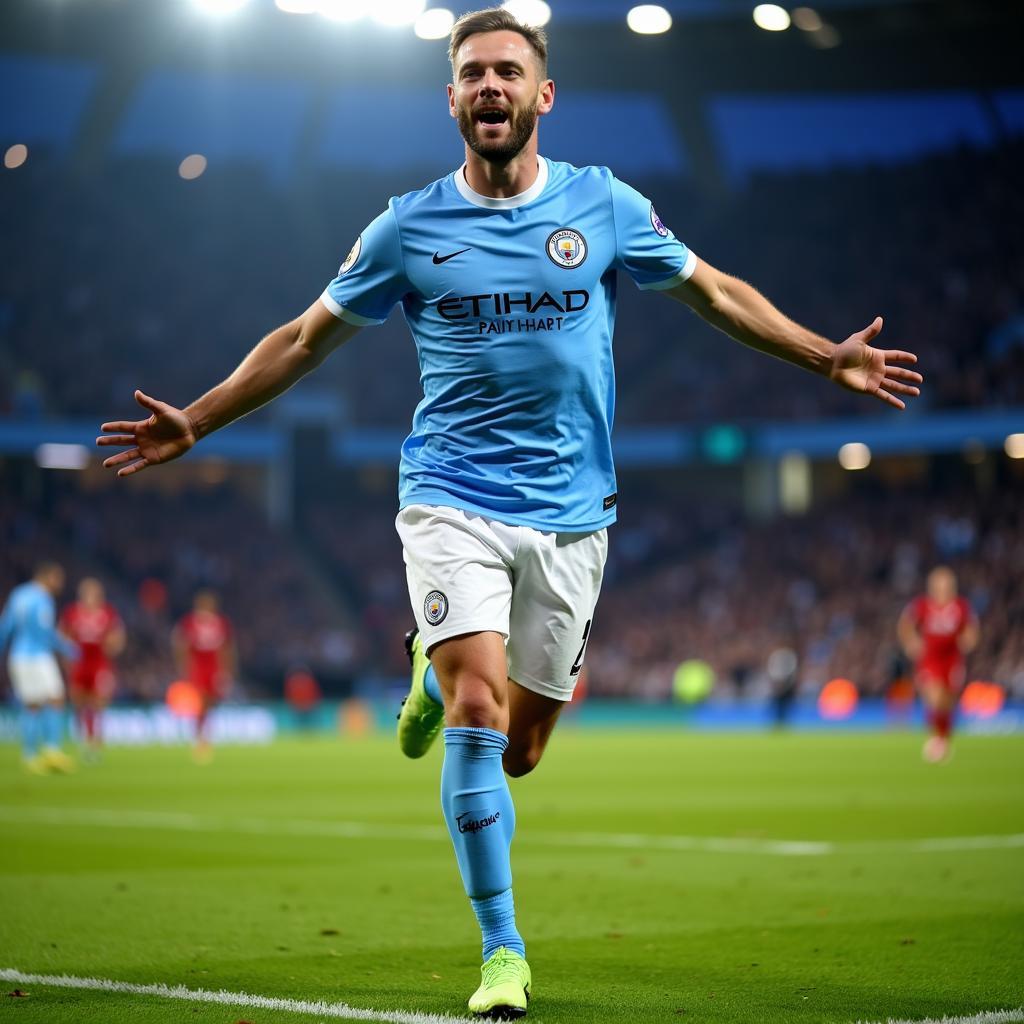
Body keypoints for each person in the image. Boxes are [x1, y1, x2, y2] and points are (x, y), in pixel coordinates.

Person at [97, 8, 923, 1017]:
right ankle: (502, 951)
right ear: (450, 98)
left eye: (507, 72)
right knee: (482, 715)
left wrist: (821, 352)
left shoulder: (603, 205)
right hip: (450, 499)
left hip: (575, 517)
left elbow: (713, 292)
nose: (490, 86)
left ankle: (429, 673)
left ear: (542, 96)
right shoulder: (406, 225)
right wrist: (202, 418)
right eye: (472, 73)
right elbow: (305, 337)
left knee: (522, 750)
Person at [0, 563, 78, 774]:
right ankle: (52, 750)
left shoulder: (18, 594)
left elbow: (5, 626)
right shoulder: (43, 599)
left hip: (17, 656)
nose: (60, 584)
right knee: (56, 699)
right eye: (58, 579)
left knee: (31, 705)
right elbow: (44, 632)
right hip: (38, 657)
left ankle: (30, 756)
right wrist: (67, 648)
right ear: (47, 576)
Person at [898, 566, 978, 763]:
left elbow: (971, 628)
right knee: (934, 696)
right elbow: (905, 624)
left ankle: (943, 738)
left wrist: (968, 639)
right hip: (930, 658)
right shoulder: (922, 605)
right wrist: (911, 643)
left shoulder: (960, 606)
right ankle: (936, 739)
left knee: (947, 701)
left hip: (952, 658)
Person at [60, 577, 125, 756]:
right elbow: (62, 633)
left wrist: (114, 645)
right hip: (79, 662)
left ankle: (96, 741)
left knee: (98, 703)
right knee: (79, 703)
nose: (91, 596)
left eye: (94, 593)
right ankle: (84, 738)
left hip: (100, 663)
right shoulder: (72, 613)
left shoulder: (107, 613)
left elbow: (118, 634)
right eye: (87, 593)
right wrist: (67, 654)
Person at [172, 590, 236, 762]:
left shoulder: (220, 624)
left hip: (214, 668)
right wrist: (184, 666)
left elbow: (227, 648)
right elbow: (181, 644)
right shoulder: (190, 623)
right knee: (198, 704)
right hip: (198, 668)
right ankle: (200, 740)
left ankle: (205, 737)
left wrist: (226, 671)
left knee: (210, 703)